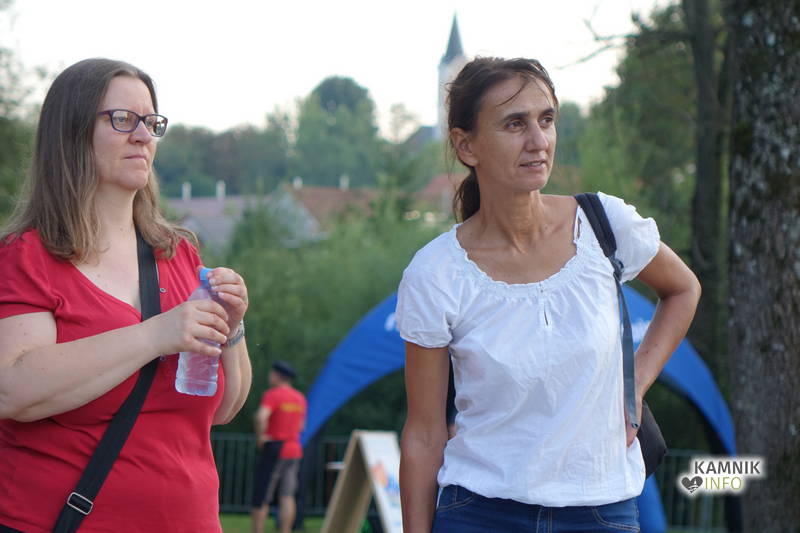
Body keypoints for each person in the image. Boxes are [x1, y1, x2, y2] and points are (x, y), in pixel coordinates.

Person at [397, 57, 701, 532]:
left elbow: (683, 289)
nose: (538, 141)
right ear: (466, 145)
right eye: (514, 124)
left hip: (603, 511)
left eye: (546, 119)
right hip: (479, 513)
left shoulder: (605, 226)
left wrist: (635, 386)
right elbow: (424, 433)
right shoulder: (435, 272)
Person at [0, 58, 252, 532]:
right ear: (72, 132)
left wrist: (232, 328)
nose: (142, 136)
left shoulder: (177, 253)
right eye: (122, 119)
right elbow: (12, 389)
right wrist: (156, 335)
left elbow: (222, 410)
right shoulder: (26, 255)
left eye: (151, 122)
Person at [251, 361, 307, 533]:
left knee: (262, 494)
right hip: (294, 449)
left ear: (277, 376)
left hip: (275, 448)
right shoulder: (300, 398)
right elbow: (301, 427)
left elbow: (261, 417)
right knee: (287, 495)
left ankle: (257, 530)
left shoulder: (273, 395)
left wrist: (261, 437)